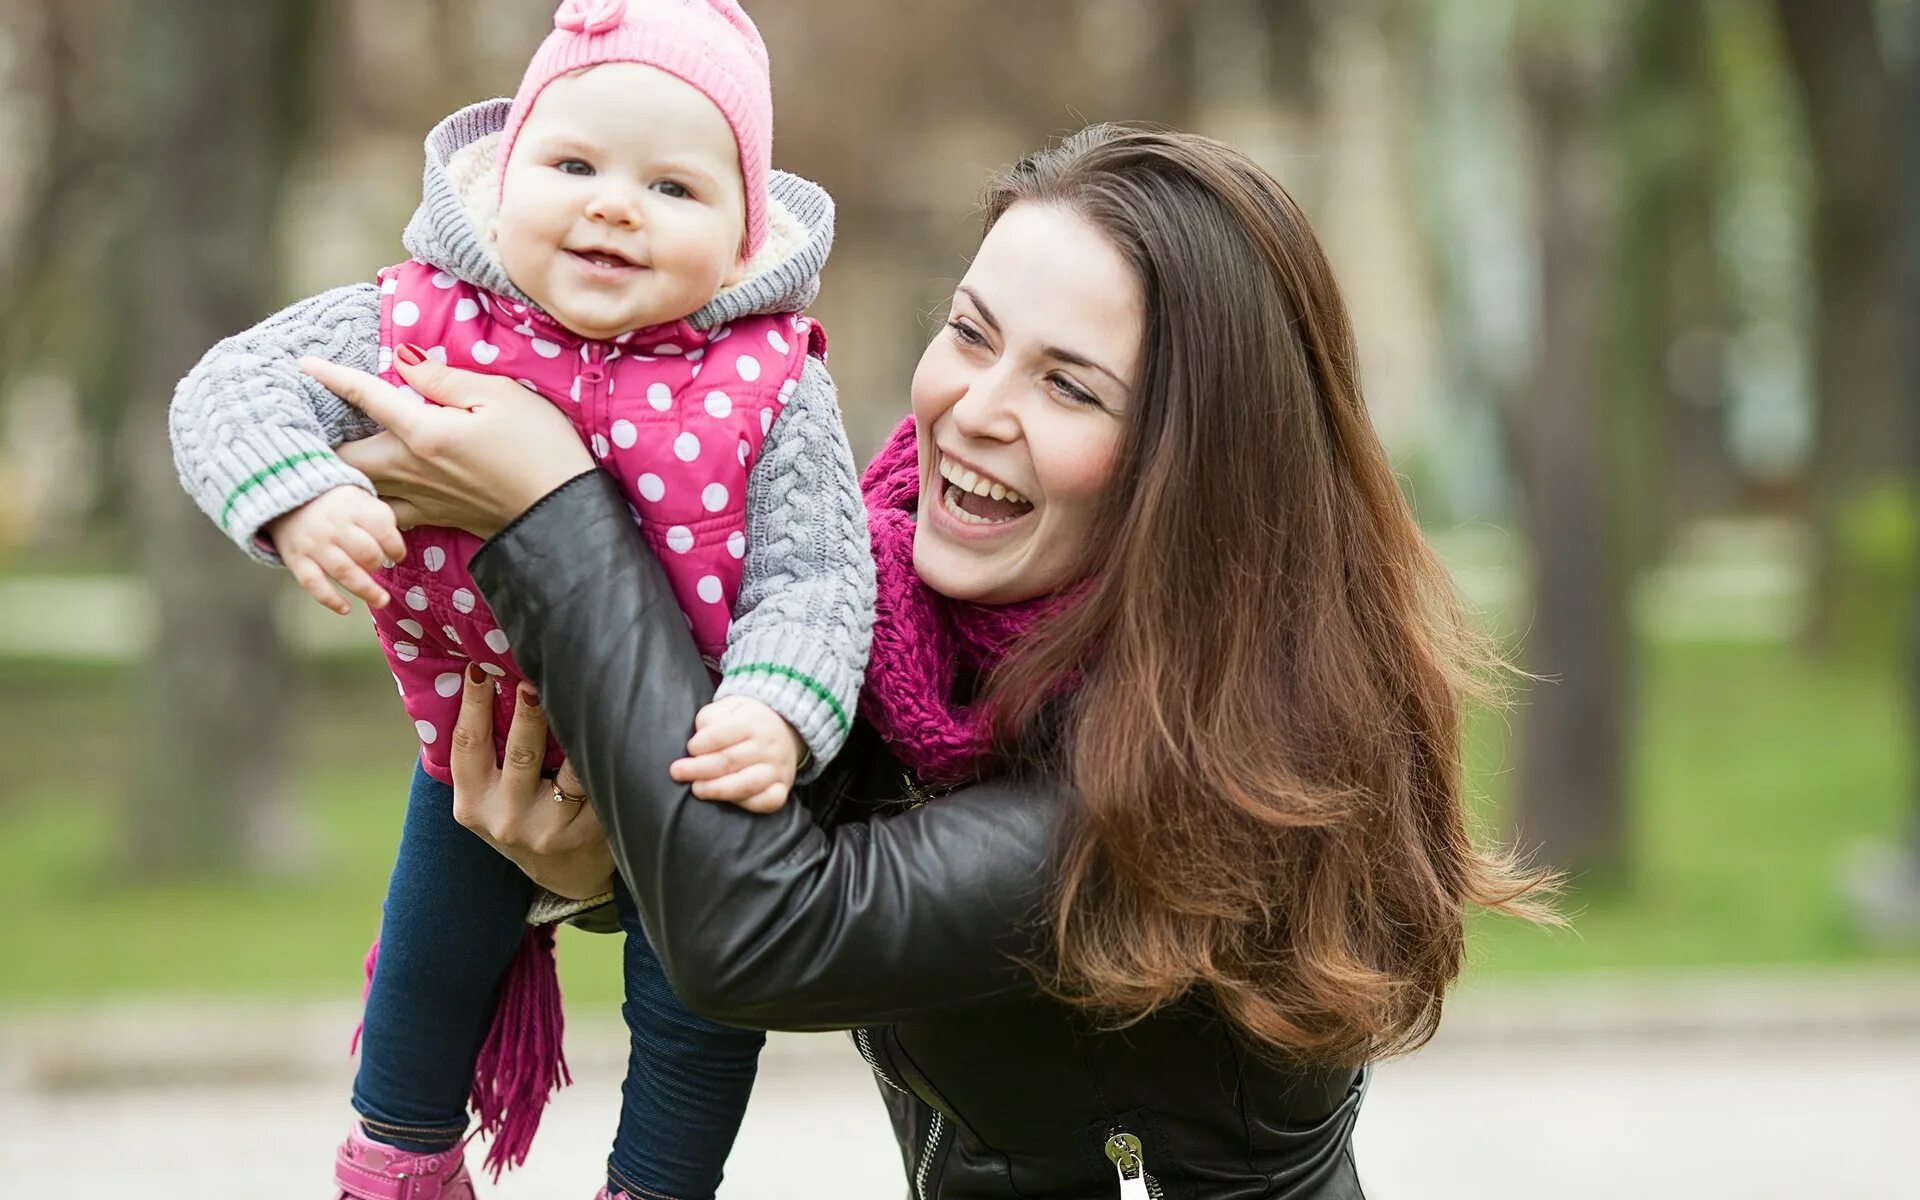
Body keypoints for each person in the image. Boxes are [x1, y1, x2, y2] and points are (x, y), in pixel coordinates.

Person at [307, 124, 1555, 1199]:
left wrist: (551, 508)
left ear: (1197, 474)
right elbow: (756, 853)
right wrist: (593, 866)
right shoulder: (875, 627)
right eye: (972, 332)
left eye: (1070, 387)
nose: (975, 407)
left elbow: (765, 927)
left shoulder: (1220, 758)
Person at [166, 2, 873, 1197]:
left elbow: (819, 573)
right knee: (426, 971)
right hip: (483, 736)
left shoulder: (768, 383)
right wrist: (295, 495)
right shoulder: (422, 318)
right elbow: (231, 388)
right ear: (503, 183)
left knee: (701, 1007)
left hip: (688, 768)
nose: (612, 204)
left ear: (745, 237)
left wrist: (777, 705)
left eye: (673, 188)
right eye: (575, 164)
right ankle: (400, 1160)